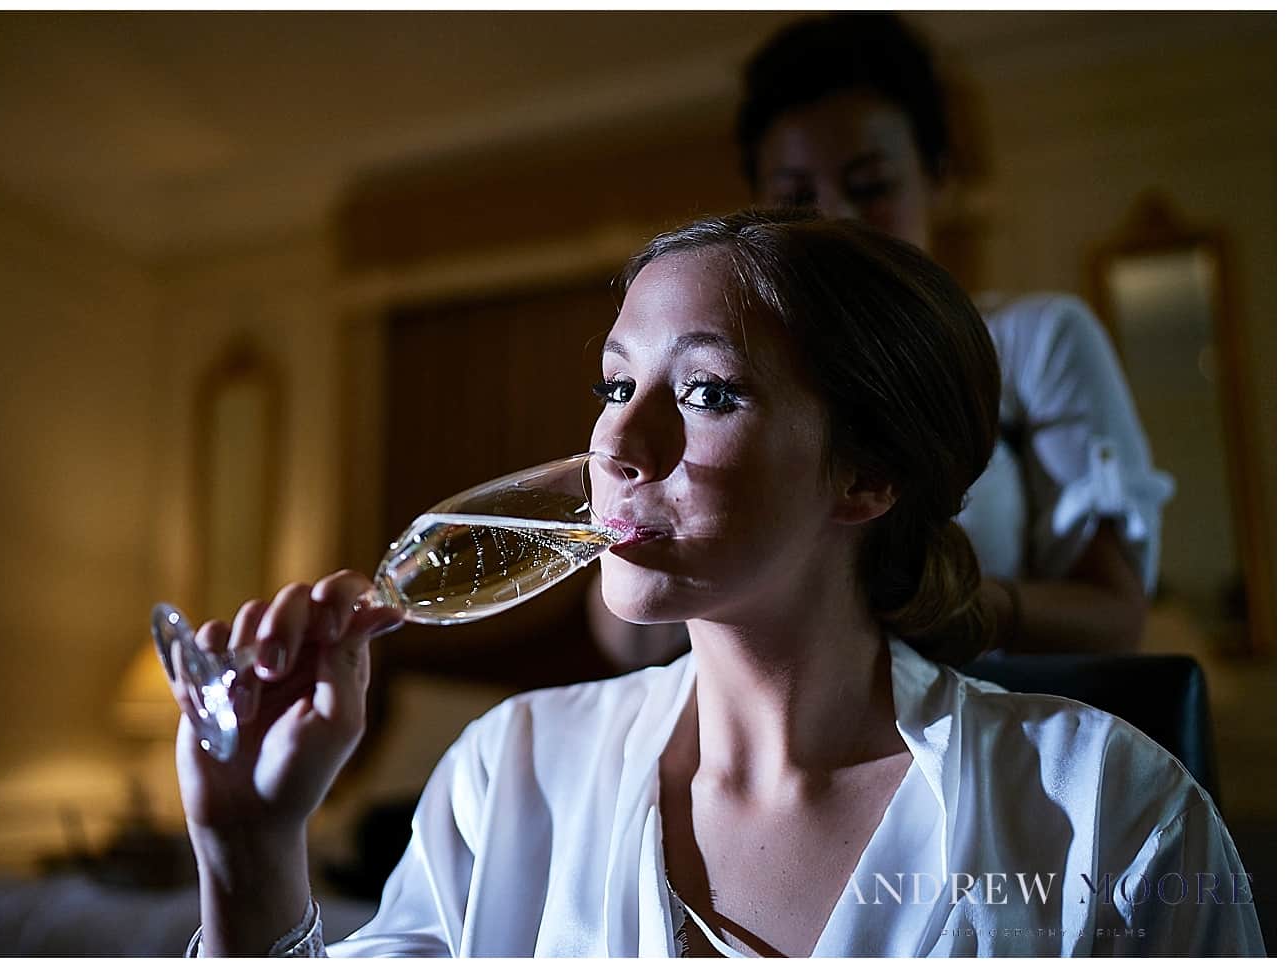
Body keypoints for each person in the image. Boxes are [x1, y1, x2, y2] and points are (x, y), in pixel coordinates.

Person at [174, 211, 1261, 956]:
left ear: (865, 473)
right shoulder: (509, 773)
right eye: (613, 381)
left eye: (705, 391)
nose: (618, 439)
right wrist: (250, 849)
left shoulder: (1104, 812)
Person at [588, 13, 1173, 671]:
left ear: (938, 176)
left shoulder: (1036, 340)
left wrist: (942, 606)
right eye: (798, 196)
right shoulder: (734, 363)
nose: (837, 217)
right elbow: (627, 637)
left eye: (870, 187)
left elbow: (1114, 616)